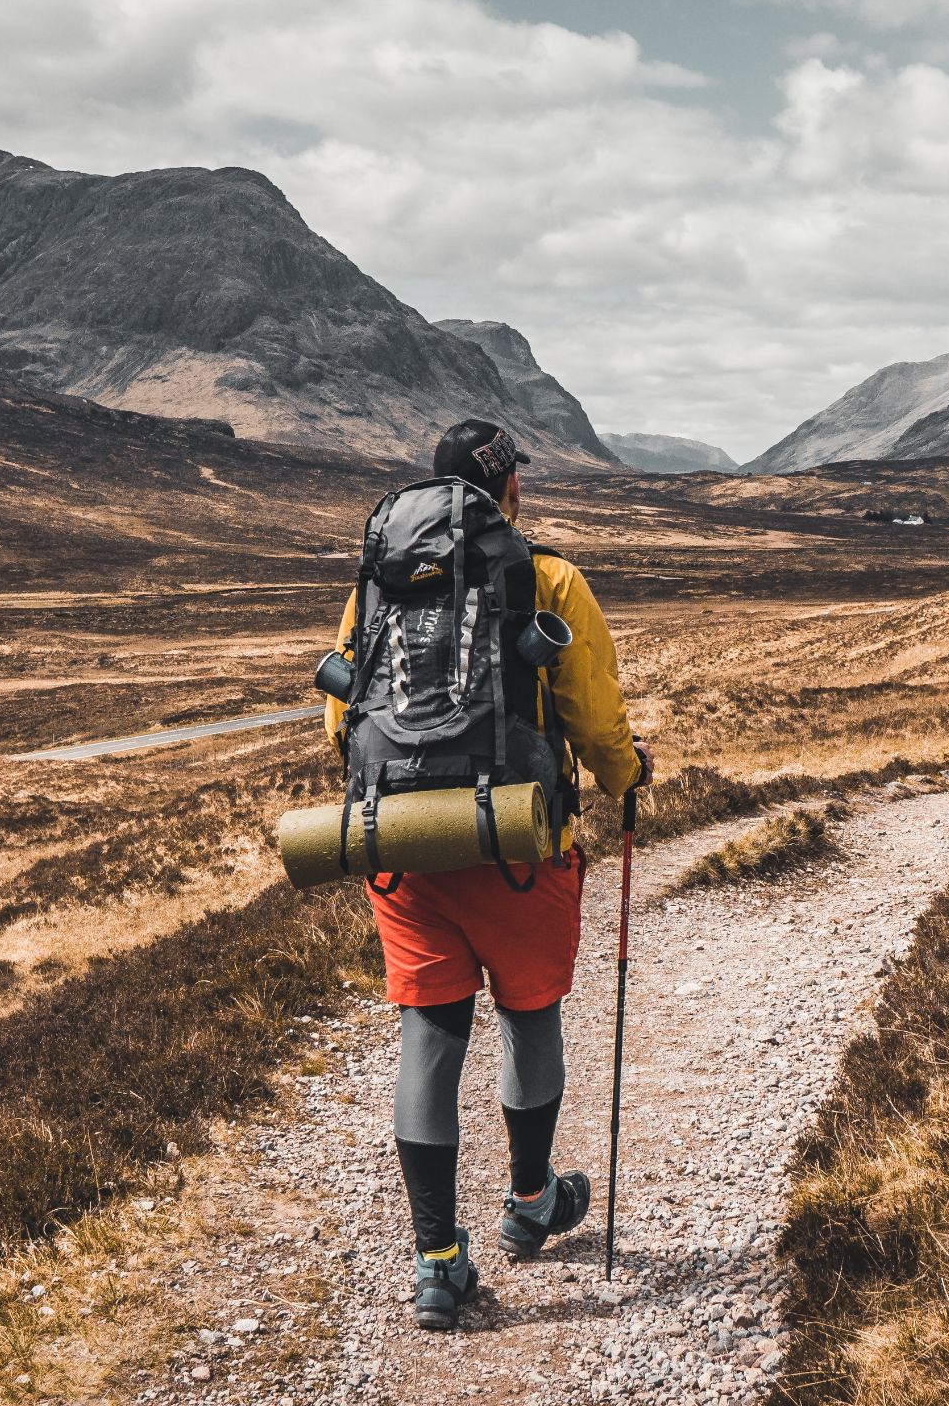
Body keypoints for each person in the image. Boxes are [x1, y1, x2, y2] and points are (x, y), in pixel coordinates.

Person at [321, 419, 651, 1330]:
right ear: (505, 489)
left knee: (430, 1039)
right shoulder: (548, 578)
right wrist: (628, 779)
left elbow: (339, 723)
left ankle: (437, 1262)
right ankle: (532, 1200)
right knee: (529, 1015)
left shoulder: (379, 580)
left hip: (407, 848)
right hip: (518, 844)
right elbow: (591, 711)